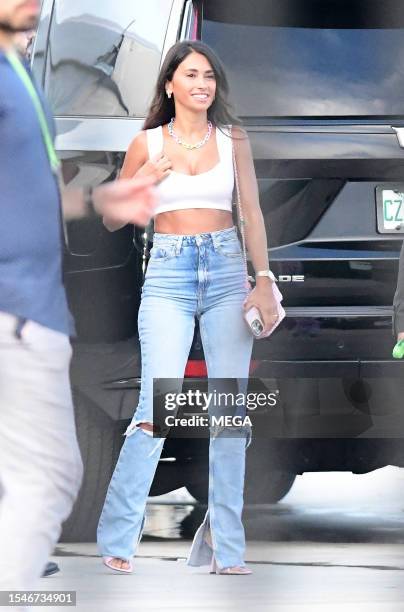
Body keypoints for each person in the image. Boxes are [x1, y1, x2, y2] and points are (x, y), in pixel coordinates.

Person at [97, 40, 279, 575]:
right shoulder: (146, 143)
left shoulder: (233, 139)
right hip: (169, 276)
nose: (202, 84)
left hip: (226, 271)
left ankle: (227, 546)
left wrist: (263, 279)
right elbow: (112, 219)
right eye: (191, 75)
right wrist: (142, 184)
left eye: (210, 77)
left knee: (230, 414)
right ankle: (117, 538)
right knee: (155, 409)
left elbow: (253, 212)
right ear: (170, 84)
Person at [0, 0, 156, 607]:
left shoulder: (20, 73)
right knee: (50, 476)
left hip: (32, 309)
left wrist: (99, 202)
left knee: (32, 478)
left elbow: (30, 194)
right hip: (15, 311)